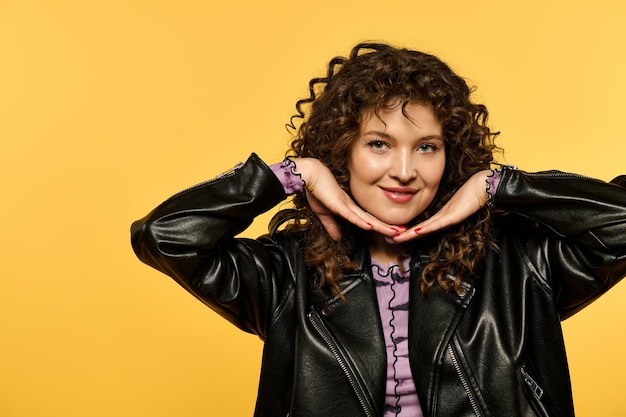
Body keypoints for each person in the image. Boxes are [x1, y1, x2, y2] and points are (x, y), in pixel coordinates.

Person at [130, 42, 626, 417]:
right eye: (379, 144)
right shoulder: (287, 275)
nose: (405, 171)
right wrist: (290, 175)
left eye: (427, 146)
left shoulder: (516, 263)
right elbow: (164, 235)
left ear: (451, 155)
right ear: (343, 148)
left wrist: (502, 186)